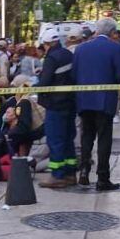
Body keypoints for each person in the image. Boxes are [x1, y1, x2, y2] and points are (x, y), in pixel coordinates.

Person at [72, 18, 120, 190]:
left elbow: (74, 74)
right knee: (104, 138)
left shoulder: (80, 49)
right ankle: (102, 177)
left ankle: (84, 171)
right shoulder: (116, 48)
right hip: (104, 101)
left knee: (86, 136)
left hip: (84, 99)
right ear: (112, 32)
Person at [38, 28, 78, 188]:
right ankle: (70, 173)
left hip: (55, 104)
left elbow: (45, 82)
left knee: (55, 140)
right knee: (68, 138)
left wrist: (34, 85)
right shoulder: (68, 54)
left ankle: (57, 175)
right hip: (70, 102)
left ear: (47, 43)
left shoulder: (51, 58)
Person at [0, 75, 43, 157]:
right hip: (44, 133)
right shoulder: (32, 96)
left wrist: (8, 135)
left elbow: (24, 126)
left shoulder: (24, 101)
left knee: (37, 165)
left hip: (41, 138)